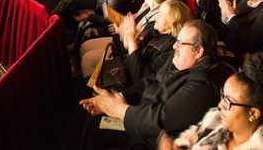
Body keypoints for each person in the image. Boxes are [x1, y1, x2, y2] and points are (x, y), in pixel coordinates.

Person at [80, 20, 222, 148]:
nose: (174, 46)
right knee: (94, 120)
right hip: (140, 117)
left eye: (181, 43)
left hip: (150, 140)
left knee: (96, 126)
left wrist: (117, 109)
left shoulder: (204, 85)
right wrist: (120, 97)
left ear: (198, 51)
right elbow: (151, 80)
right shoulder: (181, 61)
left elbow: (160, 118)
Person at [171, 52, 263, 150]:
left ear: (252, 113)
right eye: (223, 95)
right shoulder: (216, 116)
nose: (220, 105)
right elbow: (194, 135)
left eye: (228, 101)